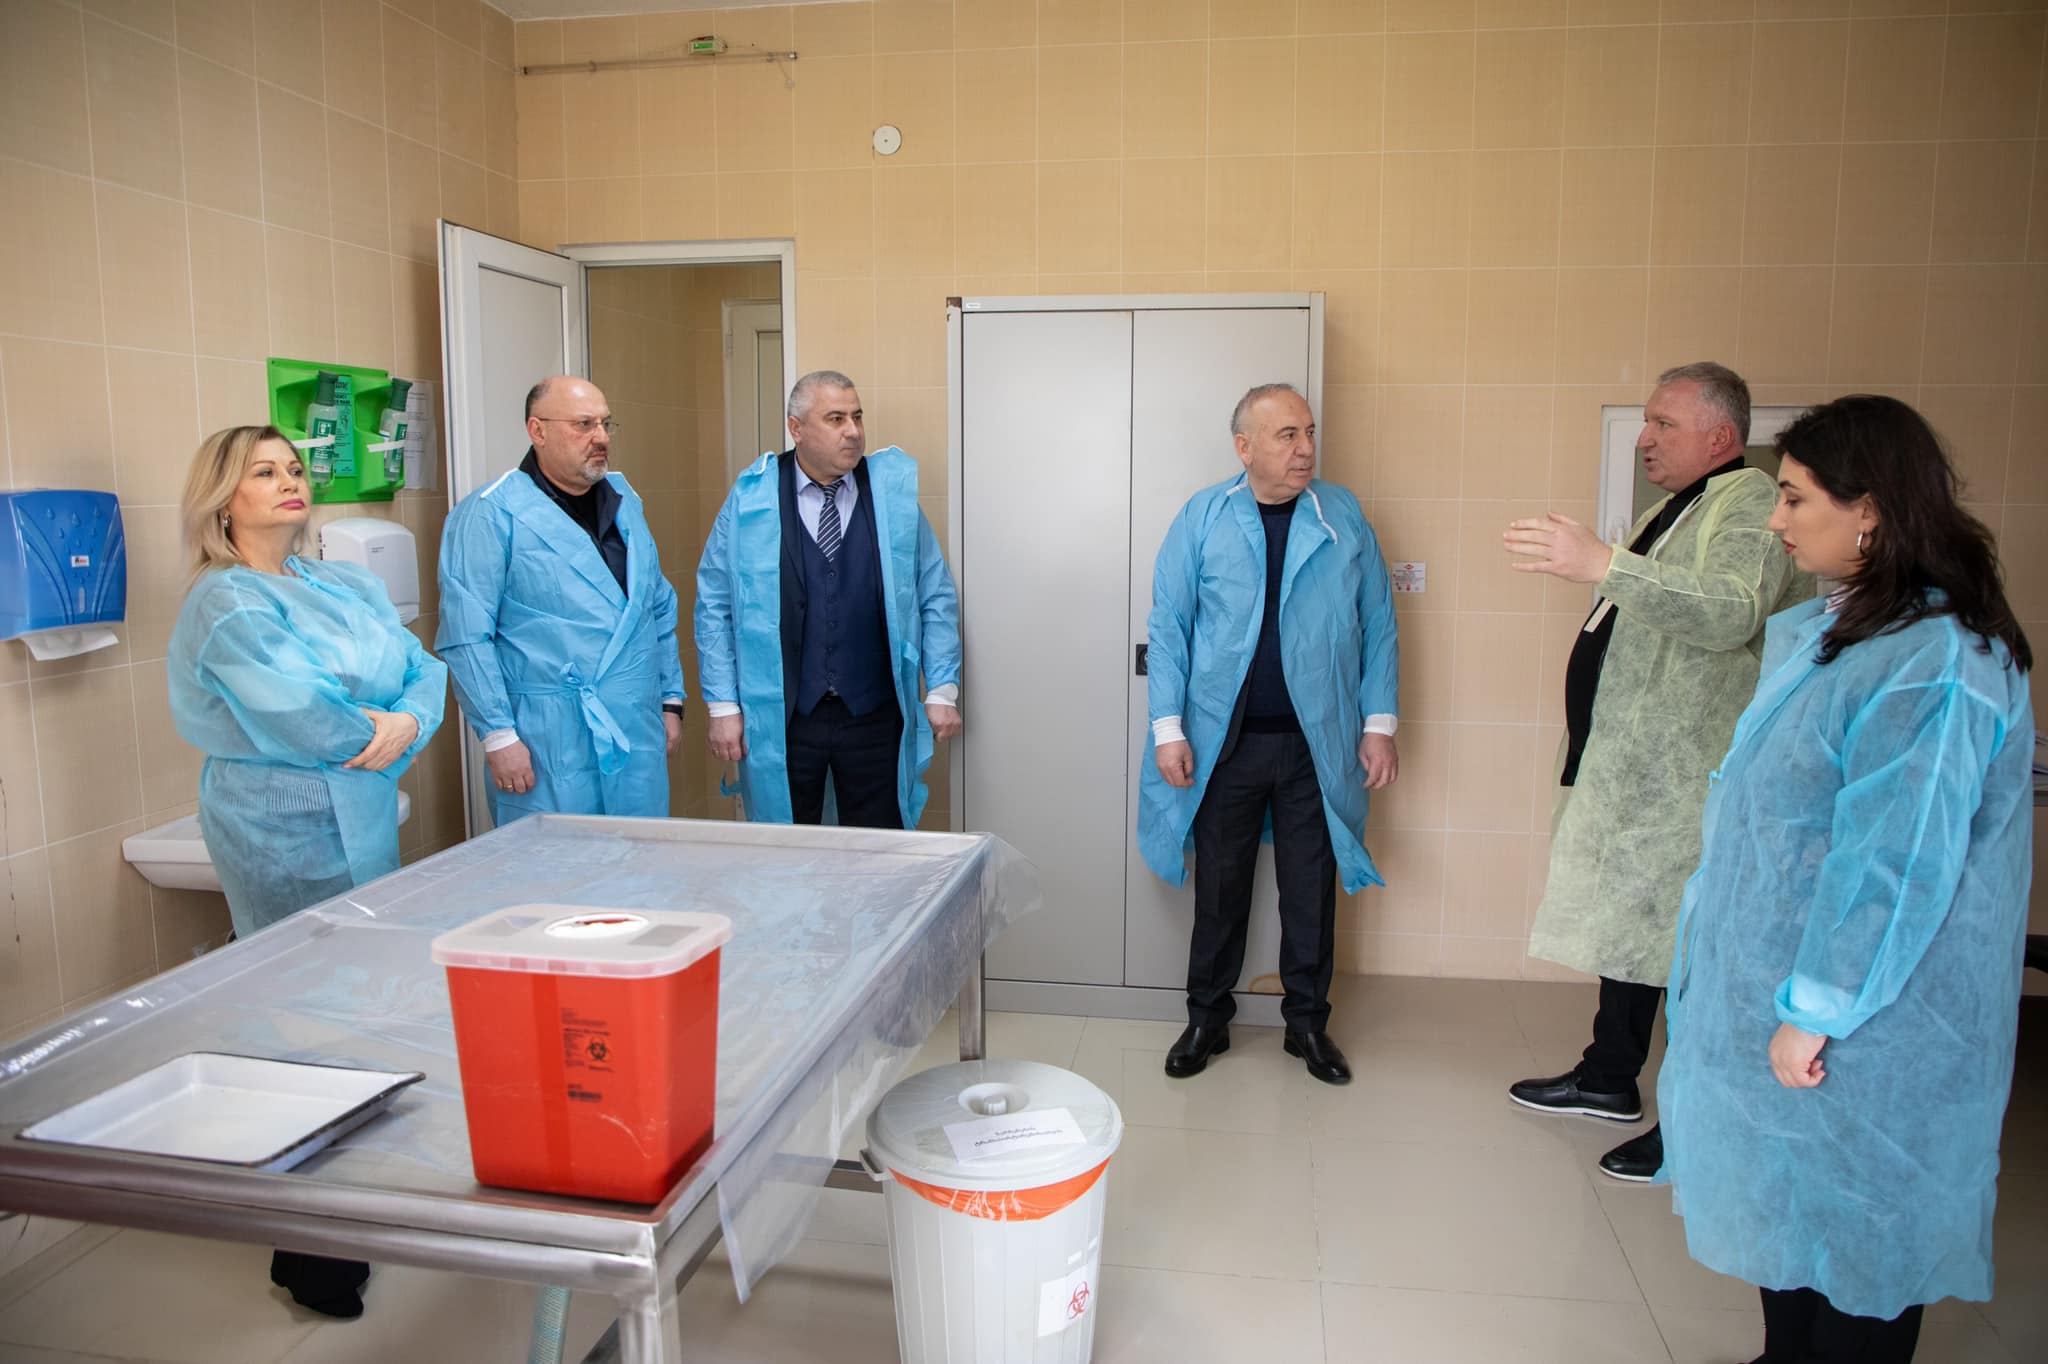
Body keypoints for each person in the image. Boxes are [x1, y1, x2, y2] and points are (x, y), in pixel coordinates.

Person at [1658, 394, 2034, 1364]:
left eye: (1792, 498)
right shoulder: (1845, 634)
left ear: (1868, 509)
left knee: (1863, 1228)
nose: (1775, 520)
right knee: (1791, 1209)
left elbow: (1896, 860)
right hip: (1799, 988)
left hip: (1870, 1013)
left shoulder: (1935, 661)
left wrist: (1819, 1005)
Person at [1502, 362, 1808, 1180]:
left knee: (1694, 958)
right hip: (1644, 769)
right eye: (1645, 421)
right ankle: (1608, 1078)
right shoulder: (1675, 511)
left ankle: (1692, 1126)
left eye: (1663, 423)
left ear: (1720, 436)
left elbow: (1733, 609)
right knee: (1637, 935)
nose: (1645, 438)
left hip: (1692, 773)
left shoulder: (1748, 501)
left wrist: (1605, 562)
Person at [168, 424, 446, 1320]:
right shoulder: (226, 602)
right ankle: (307, 1241)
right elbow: (302, 716)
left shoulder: (339, 582)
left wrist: (405, 723)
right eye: (264, 471)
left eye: (294, 468)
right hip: (277, 825)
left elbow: (422, 668)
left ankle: (351, 1204)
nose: (290, 481)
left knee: (362, 1015)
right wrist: (381, 728)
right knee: (301, 1024)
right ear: (223, 498)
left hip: (361, 808)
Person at [1139, 383, 1399, 1087]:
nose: (1306, 448)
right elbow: (1169, 627)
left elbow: (1378, 622)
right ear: (1244, 447)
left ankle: (1307, 1025)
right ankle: (1207, 1019)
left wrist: (1379, 724)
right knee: (1220, 890)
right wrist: (1168, 728)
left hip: (1318, 745)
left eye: (1308, 432)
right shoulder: (1203, 517)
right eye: (1287, 435)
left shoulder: (1342, 515)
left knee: (1310, 891)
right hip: (1225, 745)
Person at [694, 370, 961, 829]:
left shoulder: (891, 500)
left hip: (873, 711)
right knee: (788, 843)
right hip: (785, 715)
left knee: (879, 845)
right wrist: (722, 705)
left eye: (857, 417)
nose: (853, 431)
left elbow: (934, 593)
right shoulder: (752, 498)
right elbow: (715, 603)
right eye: (836, 419)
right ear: (796, 428)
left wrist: (941, 688)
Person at [437, 377, 685, 823]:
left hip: (635, 726)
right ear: (538, 430)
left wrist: (670, 700)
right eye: (584, 424)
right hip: (548, 739)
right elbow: (466, 637)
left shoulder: (625, 503)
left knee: (641, 857)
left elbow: (657, 608)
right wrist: (498, 736)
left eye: (606, 424)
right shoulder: (490, 514)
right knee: (556, 859)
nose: (601, 437)